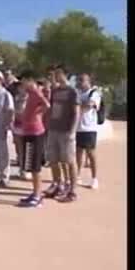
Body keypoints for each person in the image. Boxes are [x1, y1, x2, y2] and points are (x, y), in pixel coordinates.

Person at [43, 65, 81, 202]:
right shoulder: (56, 91)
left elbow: (77, 113)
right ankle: (57, 185)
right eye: (55, 73)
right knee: (53, 160)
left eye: (59, 73)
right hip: (53, 129)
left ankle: (72, 191)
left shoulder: (73, 92)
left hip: (66, 131)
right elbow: (52, 108)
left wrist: (72, 131)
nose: (56, 76)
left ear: (66, 75)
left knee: (70, 161)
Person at [17, 71, 50, 208]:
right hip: (28, 132)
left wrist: (37, 114)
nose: (22, 84)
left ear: (30, 80)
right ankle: (34, 193)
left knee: (35, 167)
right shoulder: (29, 94)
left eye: (24, 81)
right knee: (30, 164)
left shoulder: (36, 92)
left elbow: (47, 105)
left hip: (36, 133)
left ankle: (38, 196)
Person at [75, 73, 101, 190]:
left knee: (91, 154)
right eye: (78, 80)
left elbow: (89, 105)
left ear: (88, 81)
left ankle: (94, 178)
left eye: (82, 80)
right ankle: (77, 176)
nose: (79, 82)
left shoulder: (94, 93)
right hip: (78, 128)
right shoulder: (78, 93)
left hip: (89, 128)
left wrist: (78, 106)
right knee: (78, 153)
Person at [11, 81, 28, 177]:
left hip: (27, 125)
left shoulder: (29, 97)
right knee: (19, 148)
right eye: (19, 87)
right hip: (17, 125)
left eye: (22, 86)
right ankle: (22, 168)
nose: (20, 89)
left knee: (27, 147)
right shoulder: (16, 98)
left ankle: (26, 169)